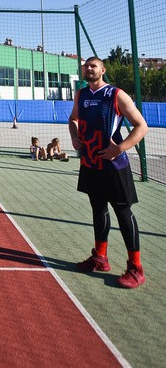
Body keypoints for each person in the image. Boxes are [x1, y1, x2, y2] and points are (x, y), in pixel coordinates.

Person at [68, 56, 148, 289]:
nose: (88, 68)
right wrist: (74, 136)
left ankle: (136, 267)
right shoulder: (81, 95)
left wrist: (119, 148)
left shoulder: (116, 94)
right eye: (86, 66)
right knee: (98, 209)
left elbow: (141, 126)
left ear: (102, 70)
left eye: (93, 66)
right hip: (91, 164)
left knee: (123, 213)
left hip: (114, 166)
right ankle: (100, 258)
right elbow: (72, 119)